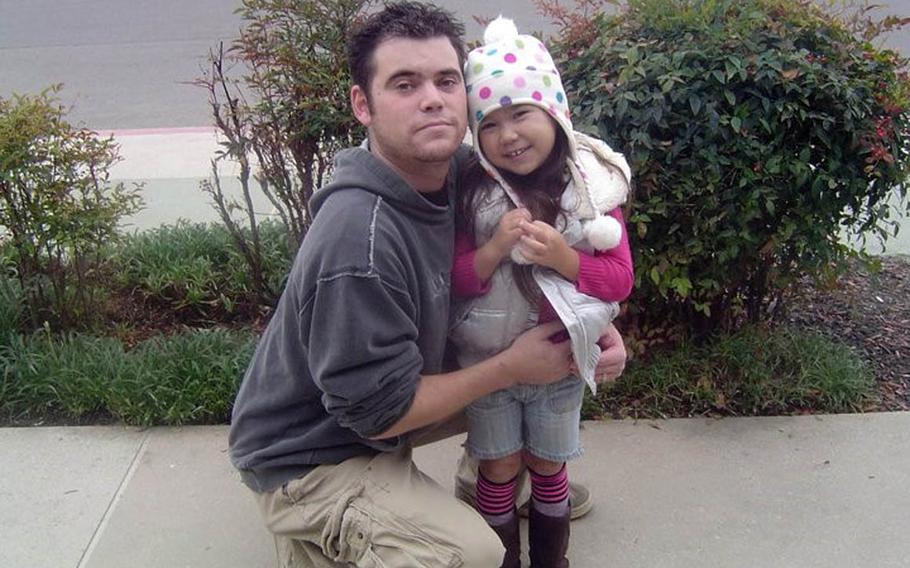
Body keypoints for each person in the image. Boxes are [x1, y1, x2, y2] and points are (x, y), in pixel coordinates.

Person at [228, 3, 627, 567]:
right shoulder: (358, 243)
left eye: (445, 80)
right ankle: (320, 526)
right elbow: (375, 412)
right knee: (470, 555)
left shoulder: (469, 175)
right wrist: (511, 367)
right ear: (362, 104)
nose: (433, 98)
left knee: (521, 386)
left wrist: (596, 327)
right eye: (404, 84)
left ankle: (499, 475)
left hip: (390, 390)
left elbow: (569, 250)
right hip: (315, 447)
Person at [449, 17, 634, 568]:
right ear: (476, 135)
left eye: (522, 114)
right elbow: (458, 281)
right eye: (492, 123)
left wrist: (562, 257)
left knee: (550, 466)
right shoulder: (473, 195)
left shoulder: (590, 192)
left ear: (554, 113)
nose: (509, 134)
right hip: (490, 362)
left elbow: (618, 279)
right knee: (499, 467)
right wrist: (492, 250)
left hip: (557, 365)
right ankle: (501, 559)